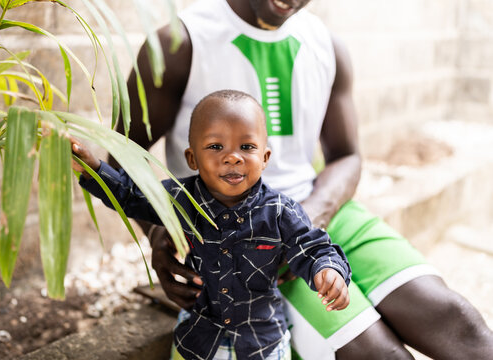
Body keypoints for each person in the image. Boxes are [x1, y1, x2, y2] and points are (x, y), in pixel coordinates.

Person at [113, 0, 493, 359]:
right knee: (379, 353)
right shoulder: (181, 43)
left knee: (460, 323)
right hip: (240, 240)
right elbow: (120, 158)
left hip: (321, 211)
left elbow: (347, 156)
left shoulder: (327, 45)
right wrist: (163, 234)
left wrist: (309, 216)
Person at [73, 89, 352, 360]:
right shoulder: (182, 199)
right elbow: (130, 195)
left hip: (262, 340)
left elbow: (313, 247)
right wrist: (94, 170)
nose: (232, 157)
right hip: (199, 337)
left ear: (265, 158)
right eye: (216, 146)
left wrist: (328, 269)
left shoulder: (280, 211)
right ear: (192, 158)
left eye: (247, 147)